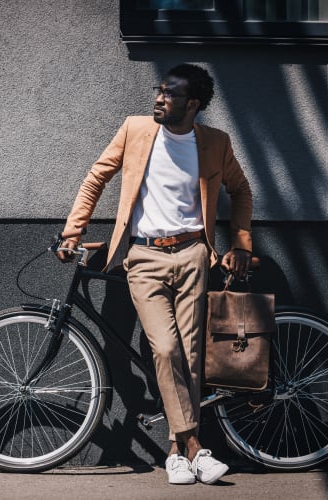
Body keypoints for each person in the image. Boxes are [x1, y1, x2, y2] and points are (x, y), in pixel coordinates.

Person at [58, 63, 252, 485]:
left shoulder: (215, 143)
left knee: (193, 355)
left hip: (194, 255)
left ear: (192, 104)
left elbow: (241, 190)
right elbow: (97, 178)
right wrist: (73, 232)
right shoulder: (135, 129)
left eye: (169, 93)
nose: (159, 98)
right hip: (144, 258)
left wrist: (240, 244)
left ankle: (175, 453)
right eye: (159, 90)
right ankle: (196, 445)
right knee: (165, 349)